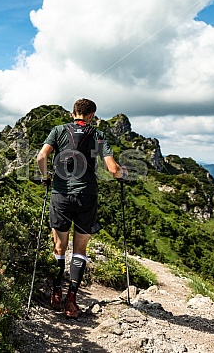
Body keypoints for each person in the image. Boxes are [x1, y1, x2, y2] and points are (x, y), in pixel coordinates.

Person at [36, 98, 127, 319]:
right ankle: (71, 301)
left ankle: (56, 292)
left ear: (72, 113)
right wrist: (121, 173)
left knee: (59, 246)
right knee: (80, 249)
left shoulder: (58, 131)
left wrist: (46, 177)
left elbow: (41, 156)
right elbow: (112, 168)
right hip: (87, 196)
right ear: (91, 116)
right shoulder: (97, 134)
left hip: (60, 195)